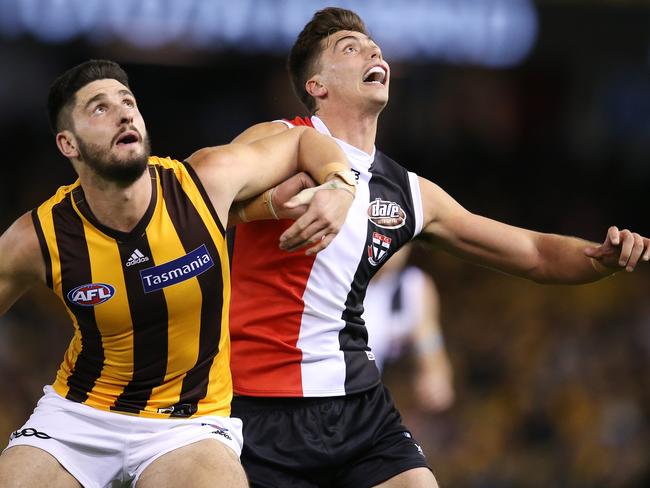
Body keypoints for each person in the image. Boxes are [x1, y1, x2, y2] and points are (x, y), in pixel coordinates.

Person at [227, 7, 650, 488]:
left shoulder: (407, 192)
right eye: (349, 47)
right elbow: (204, 201)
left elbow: (531, 252)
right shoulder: (276, 140)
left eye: (373, 46)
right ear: (317, 86)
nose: (372, 50)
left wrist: (602, 259)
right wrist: (269, 204)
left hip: (358, 405)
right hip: (260, 406)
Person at [0, 59, 355, 488]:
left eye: (127, 102)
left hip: (188, 424)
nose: (124, 113)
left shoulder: (201, 183)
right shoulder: (39, 236)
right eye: (99, 108)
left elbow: (301, 141)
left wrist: (339, 184)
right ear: (68, 144)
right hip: (78, 418)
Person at [362, 244, 454, 413]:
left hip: (358, 402)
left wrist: (435, 375)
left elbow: (428, 340)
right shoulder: (333, 276)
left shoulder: (410, 287)